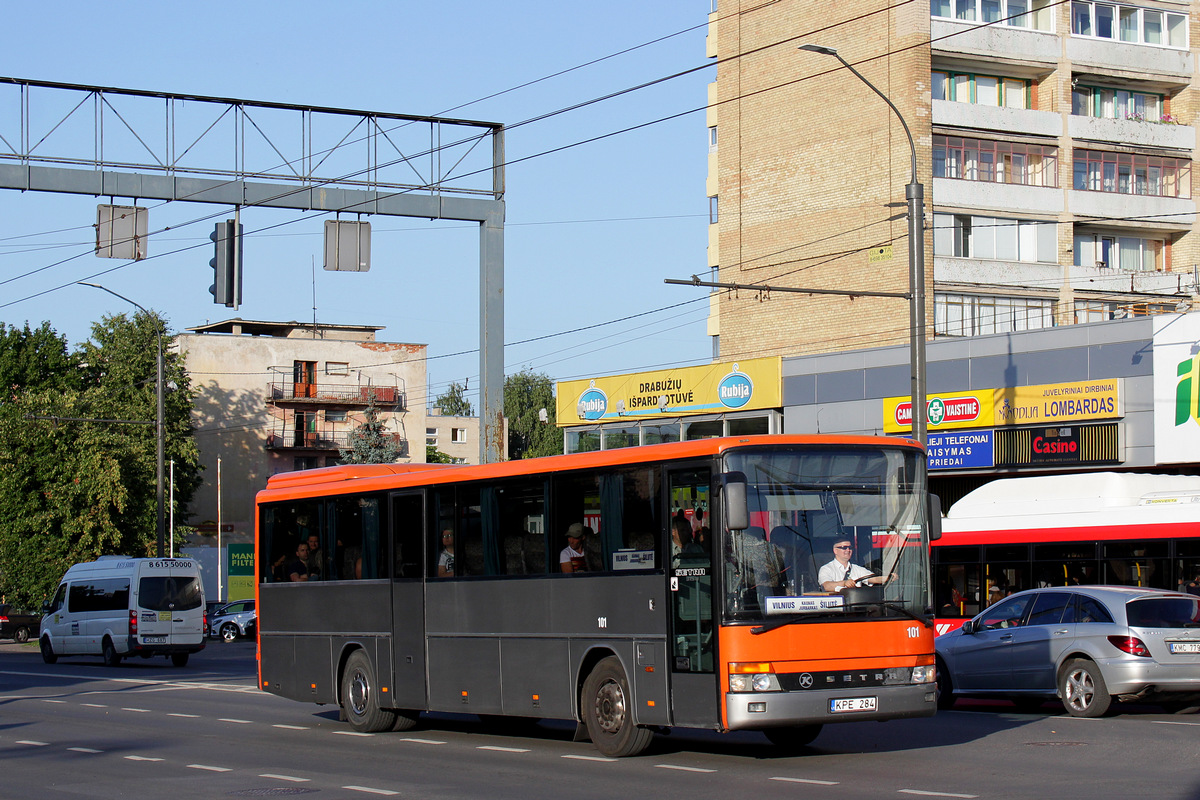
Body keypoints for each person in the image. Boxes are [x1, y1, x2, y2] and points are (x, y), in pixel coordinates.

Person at [818, 536, 891, 592]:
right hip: (836, 607)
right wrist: (844, 583)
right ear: (835, 550)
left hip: (855, 605)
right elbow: (826, 586)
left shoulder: (857, 569)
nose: (848, 550)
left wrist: (889, 577)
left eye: (850, 547)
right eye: (844, 548)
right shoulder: (826, 569)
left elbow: (874, 579)